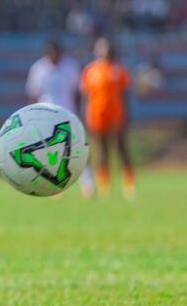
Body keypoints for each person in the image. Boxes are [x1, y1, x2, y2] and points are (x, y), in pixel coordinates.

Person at [25, 39, 94, 197]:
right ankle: (55, 186)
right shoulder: (38, 69)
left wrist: (78, 113)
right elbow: (33, 94)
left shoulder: (70, 66)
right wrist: (32, 117)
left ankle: (87, 182)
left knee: (77, 148)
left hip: (67, 114)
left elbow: (77, 92)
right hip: (45, 117)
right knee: (50, 153)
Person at [81, 37, 135, 199]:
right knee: (101, 151)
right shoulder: (90, 70)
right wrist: (85, 115)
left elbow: (125, 94)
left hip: (116, 114)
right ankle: (104, 186)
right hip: (97, 115)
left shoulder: (119, 69)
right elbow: (86, 95)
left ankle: (129, 184)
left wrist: (127, 115)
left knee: (122, 148)